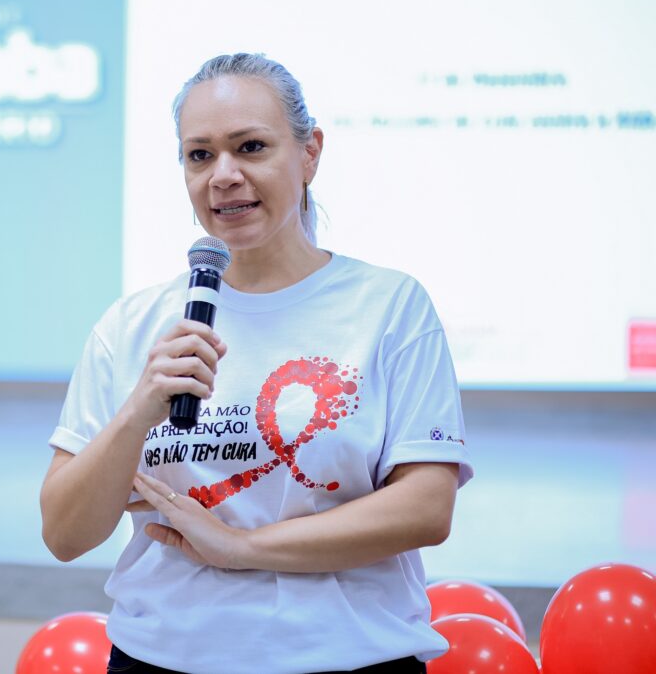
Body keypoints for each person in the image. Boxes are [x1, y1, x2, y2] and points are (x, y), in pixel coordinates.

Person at [40, 53, 473, 674]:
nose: (223, 175)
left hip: (349, 658)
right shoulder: (132, 326)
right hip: (160, 658)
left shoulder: (389, 306)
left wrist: (241, 548)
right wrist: (139, 408)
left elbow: (426, 508)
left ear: (309, 153)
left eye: (249, 147)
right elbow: (64, 534)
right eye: (199, 155)